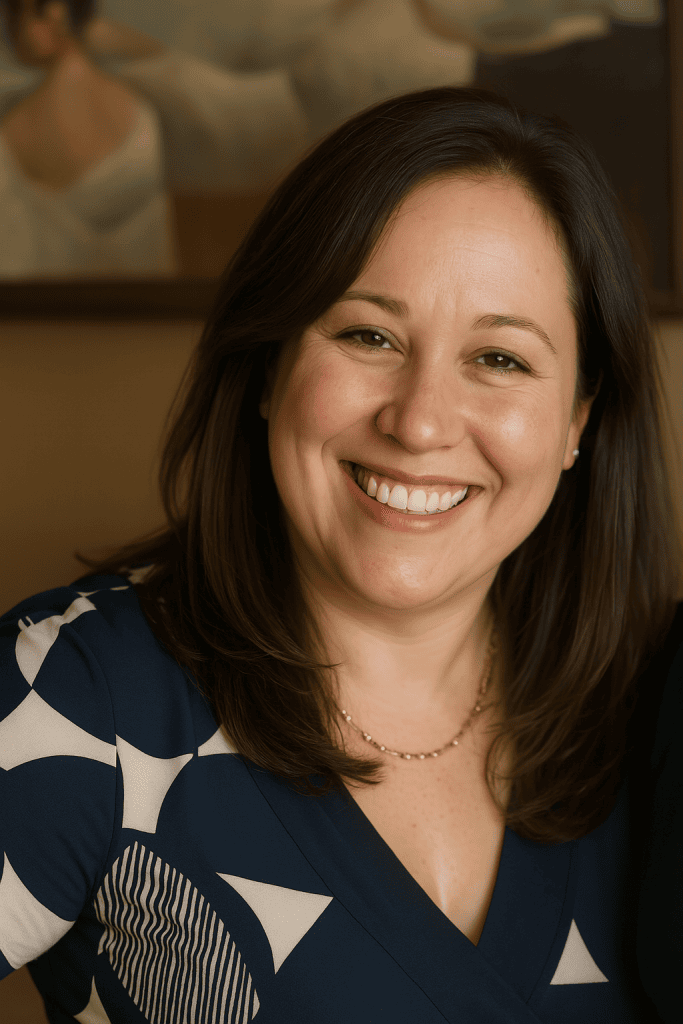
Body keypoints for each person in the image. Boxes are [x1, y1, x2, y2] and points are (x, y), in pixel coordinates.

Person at [0, 86, 680, 1022]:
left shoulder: (658, 703)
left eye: (500, 359)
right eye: (368, 335)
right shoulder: (79, 691)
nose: (420, 420)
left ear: (577, 421)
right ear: (270, 367)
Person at [0, 0, 175, 277]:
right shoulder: (142, 112)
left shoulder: (17, 125)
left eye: (16, 15)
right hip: (135, 302)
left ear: (54, 14)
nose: (9, 32)